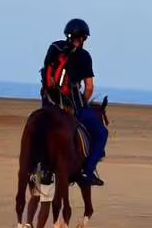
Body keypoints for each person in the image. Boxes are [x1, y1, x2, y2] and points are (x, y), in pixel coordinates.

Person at [39, 18, 108, 185]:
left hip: (48, 104)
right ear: (83, 38)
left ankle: (41, 167)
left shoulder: (54, 47)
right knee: (102, 133)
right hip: (72, 107)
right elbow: (89, 88)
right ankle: (88, 171)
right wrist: (81, 104)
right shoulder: (84, 56)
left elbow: (45, 75)